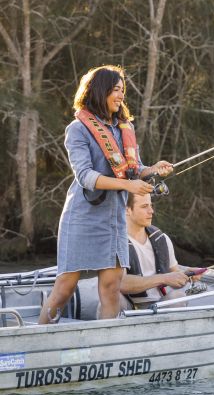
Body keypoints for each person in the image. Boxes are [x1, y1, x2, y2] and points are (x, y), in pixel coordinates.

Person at [39, 65, 172, 324]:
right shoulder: (77, 130)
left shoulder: (123, 129)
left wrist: (153, 169)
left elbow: (135, 170)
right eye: (115, 90)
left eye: (123, 90)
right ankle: (37, 340)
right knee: (65, 287)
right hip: (82, 218)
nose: (121, 95)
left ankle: (105, 341)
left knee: (112, 287)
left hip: (114, 220)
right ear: (99, 92)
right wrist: (128, 186)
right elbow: (85, 177)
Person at [119, 192, 206, 310]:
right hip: (129, 305)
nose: (151, 211)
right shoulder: (116, 243)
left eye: (151, 205)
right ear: (127, 210)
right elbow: (120, 283)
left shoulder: (161, 238)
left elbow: (174, 272)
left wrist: (187, 274)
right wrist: (164, 278)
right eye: (144, 206)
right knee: (113, 297)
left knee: (178, 296)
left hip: (159, 303)